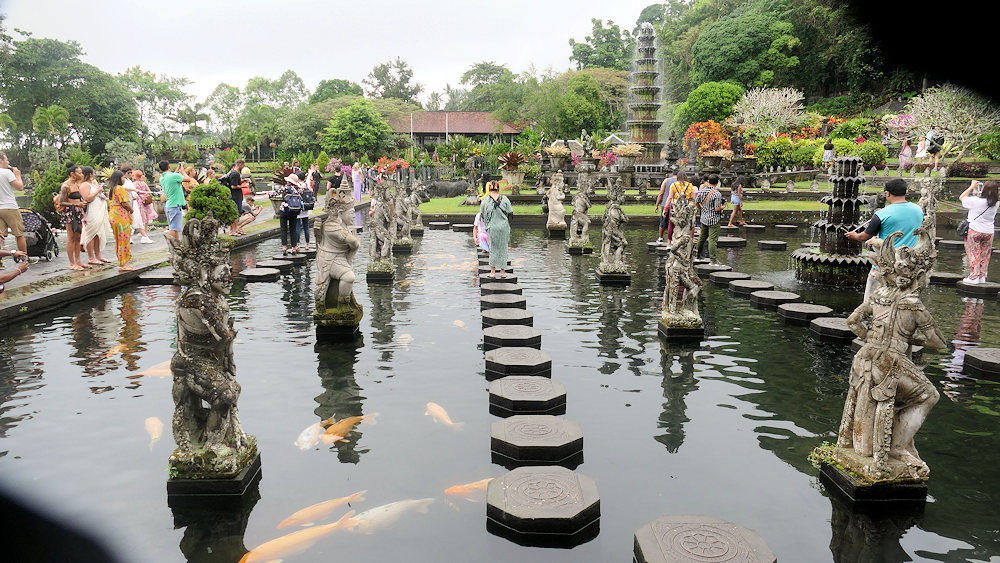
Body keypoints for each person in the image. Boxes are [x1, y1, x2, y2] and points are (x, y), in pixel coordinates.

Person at [845, 178, 924, 300]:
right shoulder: (918, 210)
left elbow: (864, 236)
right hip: (909, 266)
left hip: (885, 267)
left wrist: (854, 236)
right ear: (905, 192)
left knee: (870, 301)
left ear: (888, 193)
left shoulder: (882, 214)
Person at [959, 180, 998, 284]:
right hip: (989, 231)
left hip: (975, 230)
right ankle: (982, 276)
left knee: (973, 252)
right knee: (985, 254)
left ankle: (974, 276)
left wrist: (972, 186)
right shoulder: (996, 203)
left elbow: (962, 197)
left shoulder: (976, 201)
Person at [58, 162, 90, 271]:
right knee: (71, 237)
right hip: (70, 212)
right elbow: (61, 202)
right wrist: (75, 205)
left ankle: (78, 260)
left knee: (78, 237)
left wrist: (83, 214)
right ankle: (72, 263)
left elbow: (79, 200)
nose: (81, 175)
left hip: (78, 212)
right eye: (79, 173)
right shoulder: (66, 186)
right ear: (72, 174)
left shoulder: (76, 184)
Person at [479, 182, 513, 278]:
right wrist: (506, 222)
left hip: (492, 227)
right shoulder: (505, 199)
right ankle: (503, 272)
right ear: (498, 189)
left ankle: (493, 272)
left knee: (493, 249)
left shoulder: (485, 200)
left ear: (489, 189)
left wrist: (487, 223)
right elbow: (511, 213)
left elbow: (482, 215)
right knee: (503, 248)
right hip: (503, 227)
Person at [80, 167, 112, 265]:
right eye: (93, 173)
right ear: (90, 174)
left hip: (99, 210)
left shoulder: (92, 183)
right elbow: (87, 198)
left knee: (98, 233)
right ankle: (91, 257)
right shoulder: (84, 185)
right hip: (92, 211)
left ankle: (98, 255)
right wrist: (97, 192)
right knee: (91, 233)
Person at [0, 152, 27, 259]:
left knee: (0, 235)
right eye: (6, 159)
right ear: (1, 160)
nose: (8, 162)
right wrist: (18, 175)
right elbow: (20, 187)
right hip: (10, 207)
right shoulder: (7, 172)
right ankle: (24, 258)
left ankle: (0, 260)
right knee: (18, 234)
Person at [695, 174, 726, 262]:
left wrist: (701, 208)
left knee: (702, 238)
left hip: (704, 218)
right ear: (717, 183)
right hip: (714, 219)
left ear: (708, 181)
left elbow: (696, 202)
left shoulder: (702, 191)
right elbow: (717, 208)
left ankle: (697, 256)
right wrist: (723, 206)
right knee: (712, 240)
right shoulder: (717, 194)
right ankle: (713, 260)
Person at [107, 170, 134, 272]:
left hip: (113, 215)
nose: (124, 179)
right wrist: (131, 210)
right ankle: (123, 264)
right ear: (119, 178)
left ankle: (121, 262)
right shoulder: (120, 188)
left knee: (118, 240)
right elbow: (125, 203)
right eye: (123, 177)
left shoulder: (111, 189)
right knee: (124, 239)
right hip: (121, 215)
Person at [271, 175, 303, 255]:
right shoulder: (298, 189)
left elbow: (276, 193)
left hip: (284, 210)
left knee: (284, 229)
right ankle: (293, 248)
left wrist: (268, 195)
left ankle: (284, 248)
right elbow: (302, 193)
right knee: (293, 229)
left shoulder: (286, 188)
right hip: (294, 210)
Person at [158, 160, 186, 241]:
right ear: (169, 167)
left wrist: (176, 171)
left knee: (174, 227)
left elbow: (171, 177)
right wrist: (183, 172)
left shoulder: (162, 177)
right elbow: (188, 179)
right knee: (173, 228)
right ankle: (171, 244)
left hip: (169, 205)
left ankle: (177, 244)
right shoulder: (173, 176)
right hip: (175, 205)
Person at [653, 170, 676, 243]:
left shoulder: (666, 180)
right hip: (676, 205)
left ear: (672, 174)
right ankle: (673, 239)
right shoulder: (681, 182)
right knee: (674, 222)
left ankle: (660, 238)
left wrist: (657, 205)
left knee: (663, 221)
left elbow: (661, 193)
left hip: (666, 204)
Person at [223, 160, 245, 236]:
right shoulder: (235, 174)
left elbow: (234, 183)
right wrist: (243, 186)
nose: (243, 167)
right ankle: (234, 230)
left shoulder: (231, 173)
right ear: (240, 164)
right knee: (236, 214)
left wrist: (243, 181)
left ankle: (233, 230)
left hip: (233, 196)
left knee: (234, 214)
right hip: (235, 196)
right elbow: (233, 186)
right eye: (243, 165)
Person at [294, 172, 313, 251]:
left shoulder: (296, 185)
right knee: (306, 227)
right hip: (306, 208)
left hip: (299, 209)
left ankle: (297, 244)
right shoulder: (307, 184)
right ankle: (307, 244)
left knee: (297, 227)